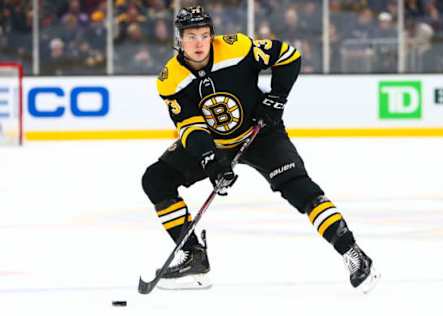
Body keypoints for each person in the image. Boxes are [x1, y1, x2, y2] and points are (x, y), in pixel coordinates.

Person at [142, 6, 380, 292]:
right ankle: (194, 256)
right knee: (156, 180)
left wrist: (276, 99)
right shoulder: (170, 79)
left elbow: (289, 57)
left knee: (300, 189)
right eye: (191, 36)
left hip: (261, 134)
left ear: (212, 36)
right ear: (179, 39)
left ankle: (352, 252)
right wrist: (210, 162)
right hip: (215, 143)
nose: (199, 43)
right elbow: (192, 128)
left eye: (204, 35)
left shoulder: (238, 48)